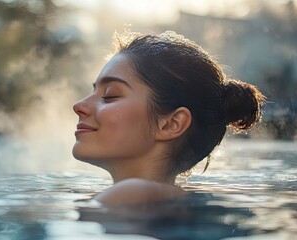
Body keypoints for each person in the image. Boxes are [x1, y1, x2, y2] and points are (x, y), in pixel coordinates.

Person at [72, 30, 266, 206]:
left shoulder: (131, 195)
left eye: (110, 95)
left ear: (171, 124)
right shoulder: (165, 200)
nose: (79, 106)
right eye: (93, 92)